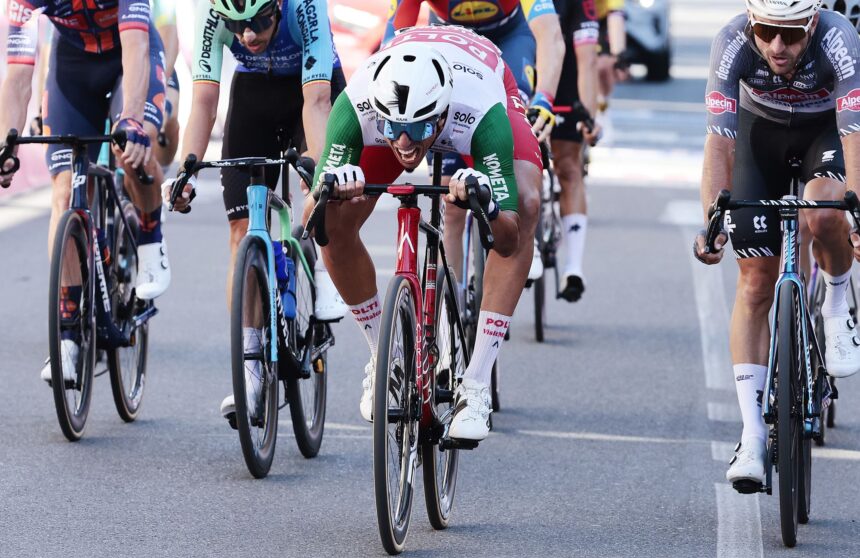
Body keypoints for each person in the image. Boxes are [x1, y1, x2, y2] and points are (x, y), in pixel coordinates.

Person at [308, 25, 542, 440]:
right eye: (392, 127)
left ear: (439, 113)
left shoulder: (481, 114)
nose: (403, 142)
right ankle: (386, 356)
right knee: (333, 222)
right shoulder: (358, 104)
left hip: (483, 80)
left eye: (416, 128)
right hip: (407, 81)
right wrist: (330, 191)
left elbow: (508, 237)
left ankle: (476, 384)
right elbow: (314, 224)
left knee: (525, 201)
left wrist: (487, 203)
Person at [694, 0, 860, 489]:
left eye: (790, 35)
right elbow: (719, 143)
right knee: (755, 284)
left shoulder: (839, 38)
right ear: (752, 24)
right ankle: (751, 435)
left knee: (828, 212)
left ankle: (836, 302)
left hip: (824, 132)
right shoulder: (731, 42)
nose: (777, 47)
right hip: (758, 134)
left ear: (812, 24)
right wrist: (713, 220)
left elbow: (855, 135)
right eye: (766, 33)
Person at [164, 0, 347, 421]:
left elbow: (318, 102)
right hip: (253, 94)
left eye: (260, 22)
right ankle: (249, 370)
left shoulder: (304, 7)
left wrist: (317, 171)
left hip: (313, 83)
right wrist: (186, 171)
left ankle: (322, 266)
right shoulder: (211, 13)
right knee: (241, 231)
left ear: (278, 8)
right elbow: (205, 101)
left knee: (318, 188)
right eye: (237, 26)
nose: (247, 36)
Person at [0, 0, 170, 382]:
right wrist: (6, 143)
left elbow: (136, 49)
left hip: (127, 58)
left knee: (133, 153)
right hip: (72, 66)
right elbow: (17, 74)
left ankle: (149, 237)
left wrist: (131, 119)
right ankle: (68, 336)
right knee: (63, 192)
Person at [385, 0, 564, 282]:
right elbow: (392, 39)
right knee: (450, 198)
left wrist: (545, 99)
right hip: (449, 42)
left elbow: (550, 34)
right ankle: (449, 308)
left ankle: (523, 222)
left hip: (509, 38)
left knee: (516, 116)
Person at [551, 0, 601, 303]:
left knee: (569, 166)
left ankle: (573, 267)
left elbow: (587, 61)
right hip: (523, 73)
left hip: (567, 80)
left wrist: (588, 116)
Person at [152, 0, 181, 167]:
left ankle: (159, 169)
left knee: (169, 109)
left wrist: (159, 84)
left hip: (157, 63)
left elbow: (170, 42)